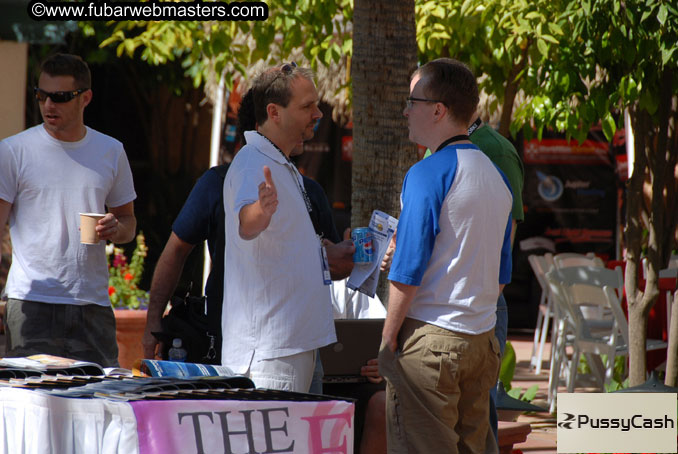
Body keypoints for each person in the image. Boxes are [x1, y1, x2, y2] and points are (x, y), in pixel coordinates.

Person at [141, 88, 354, 367]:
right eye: (301, 110)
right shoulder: (218, 181)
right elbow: (176, 250)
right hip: (236, 343)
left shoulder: (311, 191)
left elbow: (333, 267)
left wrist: (350, 255)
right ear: (265, 124)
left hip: (303, 344)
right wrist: (152, 321)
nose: (313, 119)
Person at [378, 58, 513, 453]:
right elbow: (502, 274)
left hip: (432, 343)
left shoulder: (427, 172)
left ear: (437, 110)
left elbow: (408, 268)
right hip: (481, 341)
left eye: (412, 102)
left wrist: (388, 340)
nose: (406, 111)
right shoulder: (496, 176)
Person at [0, 53, 137, 367]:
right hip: (32, 301)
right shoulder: (13, 151)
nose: (49, 105)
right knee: (32, 402)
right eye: (42, 95)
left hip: (91, 302)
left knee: (100, 399)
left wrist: (116, 228)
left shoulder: (111, 152)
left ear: (85, 98)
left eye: (60, 97)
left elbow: (128, 221)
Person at [222, 63, 339, 392]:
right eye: (307, 106)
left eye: (316, 104)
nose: (318, 113)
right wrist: (261, 209)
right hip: (272, 358)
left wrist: (330, 252)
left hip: (291, 350)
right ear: (274, 112)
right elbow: (247, 224)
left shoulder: (280, 163)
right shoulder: (253, 161)